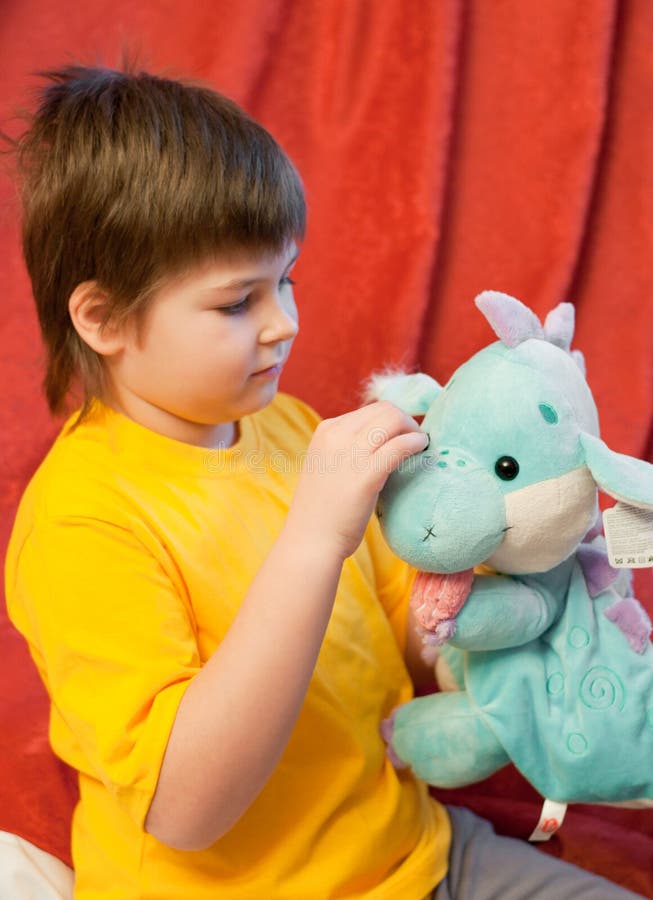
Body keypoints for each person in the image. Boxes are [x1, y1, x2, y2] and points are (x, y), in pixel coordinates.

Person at [4, 65, 644, 899]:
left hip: (418, 852)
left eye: (287, 280)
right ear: (103, 319)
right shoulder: (83, 524)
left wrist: (522, 563)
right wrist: (313, 538)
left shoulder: (290, 428)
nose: (283, 324)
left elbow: (413, 636)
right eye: (237, 303)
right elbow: (187, 807)